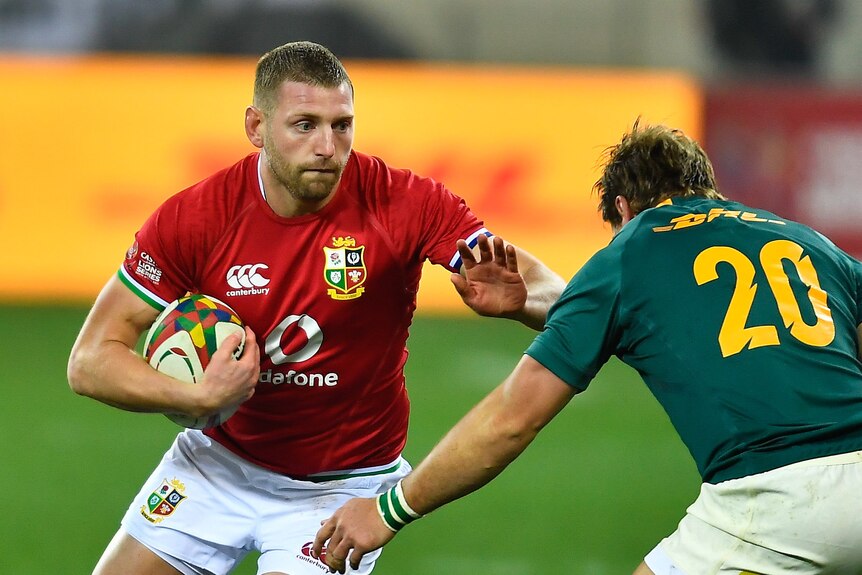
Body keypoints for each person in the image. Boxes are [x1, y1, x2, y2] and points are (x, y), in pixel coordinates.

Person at [66, 41, 565, 575]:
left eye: (342, 125)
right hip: (217, 465)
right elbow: (92, 359)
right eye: (304, 124)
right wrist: (193, 396)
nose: (328, 146)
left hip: (342, 491)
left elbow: (555, 296)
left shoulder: (405, 201)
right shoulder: (196, 217)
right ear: (257, 127)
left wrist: (519, 305)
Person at [315, 120, 862, 575]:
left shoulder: (632, 250)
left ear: (623, 208)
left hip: (770, 497)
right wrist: (539, 307)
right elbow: (667, 323)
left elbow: (512, 419)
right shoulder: (806, 239)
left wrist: (390, 509)